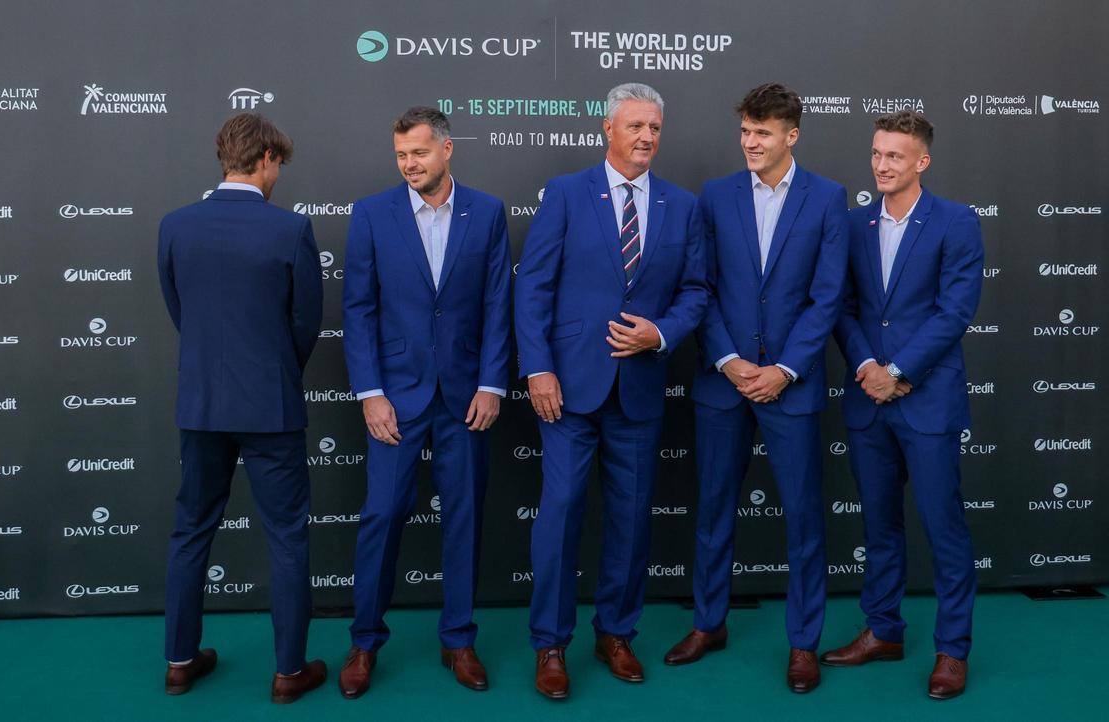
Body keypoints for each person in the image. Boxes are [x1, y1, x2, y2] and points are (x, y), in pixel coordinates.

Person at [515, 82, 708, 700]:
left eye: (654, 127)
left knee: (630, 519)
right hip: (567, 389)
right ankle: (550, 643)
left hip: (641, 390)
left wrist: (662, 331)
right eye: (635, 126)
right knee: (562, 511)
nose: (647, 137)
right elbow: (534, 286)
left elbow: (697, 291)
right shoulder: (568, 193)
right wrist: (538, 369)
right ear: (607, 129)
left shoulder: (682, 205)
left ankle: (616, 633)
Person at [664, 83, 847, 694]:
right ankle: (708, 623)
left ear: (790, 136)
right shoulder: (714, 197)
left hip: (790, 387)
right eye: (744, 131)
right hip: (724, 384)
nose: (749, 142)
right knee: (714, 510)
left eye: (762, 133)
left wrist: (786, 370)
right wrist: (728, 359)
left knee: (803, 518)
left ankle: (803, 642)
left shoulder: (827, 199)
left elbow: (827, 298)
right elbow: (700, 287)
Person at [339, 106, 512, 698]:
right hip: (395, 398)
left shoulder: (487, 212)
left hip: (466, 398)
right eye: (401, 156)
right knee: (382, 516)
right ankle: (364, 643)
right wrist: (370, 394)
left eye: (418, 152)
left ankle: (459, 640)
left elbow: (497, 305)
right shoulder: (371, 215)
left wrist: (493, 384)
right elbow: (357, 310)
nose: (409, 164)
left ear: (446, 150)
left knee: (463, 519)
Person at [157, 113, 326, 703]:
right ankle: (288, 672)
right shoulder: (290, 230)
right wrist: (275, 369)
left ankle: (179, 662)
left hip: (201, 404)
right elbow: (305, 322)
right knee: (286, 537)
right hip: (271, 407)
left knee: (189, 531)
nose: (280, 173)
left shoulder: (175, 226)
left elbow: (181, 312)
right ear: (267, 160)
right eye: (279, 163)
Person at [822, 110, 983, 701]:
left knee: (944, 529)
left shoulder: (956, 222)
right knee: (879, 526)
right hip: (869, 402)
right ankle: (884, 630)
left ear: (922, 161)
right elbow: (840, 306)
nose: (882, 165)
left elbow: (954, 312)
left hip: (927, 402)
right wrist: (868, 368)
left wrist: (899, 372)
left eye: (895, 155)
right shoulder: (853, 224)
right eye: (876, 154)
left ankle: (952, 650)